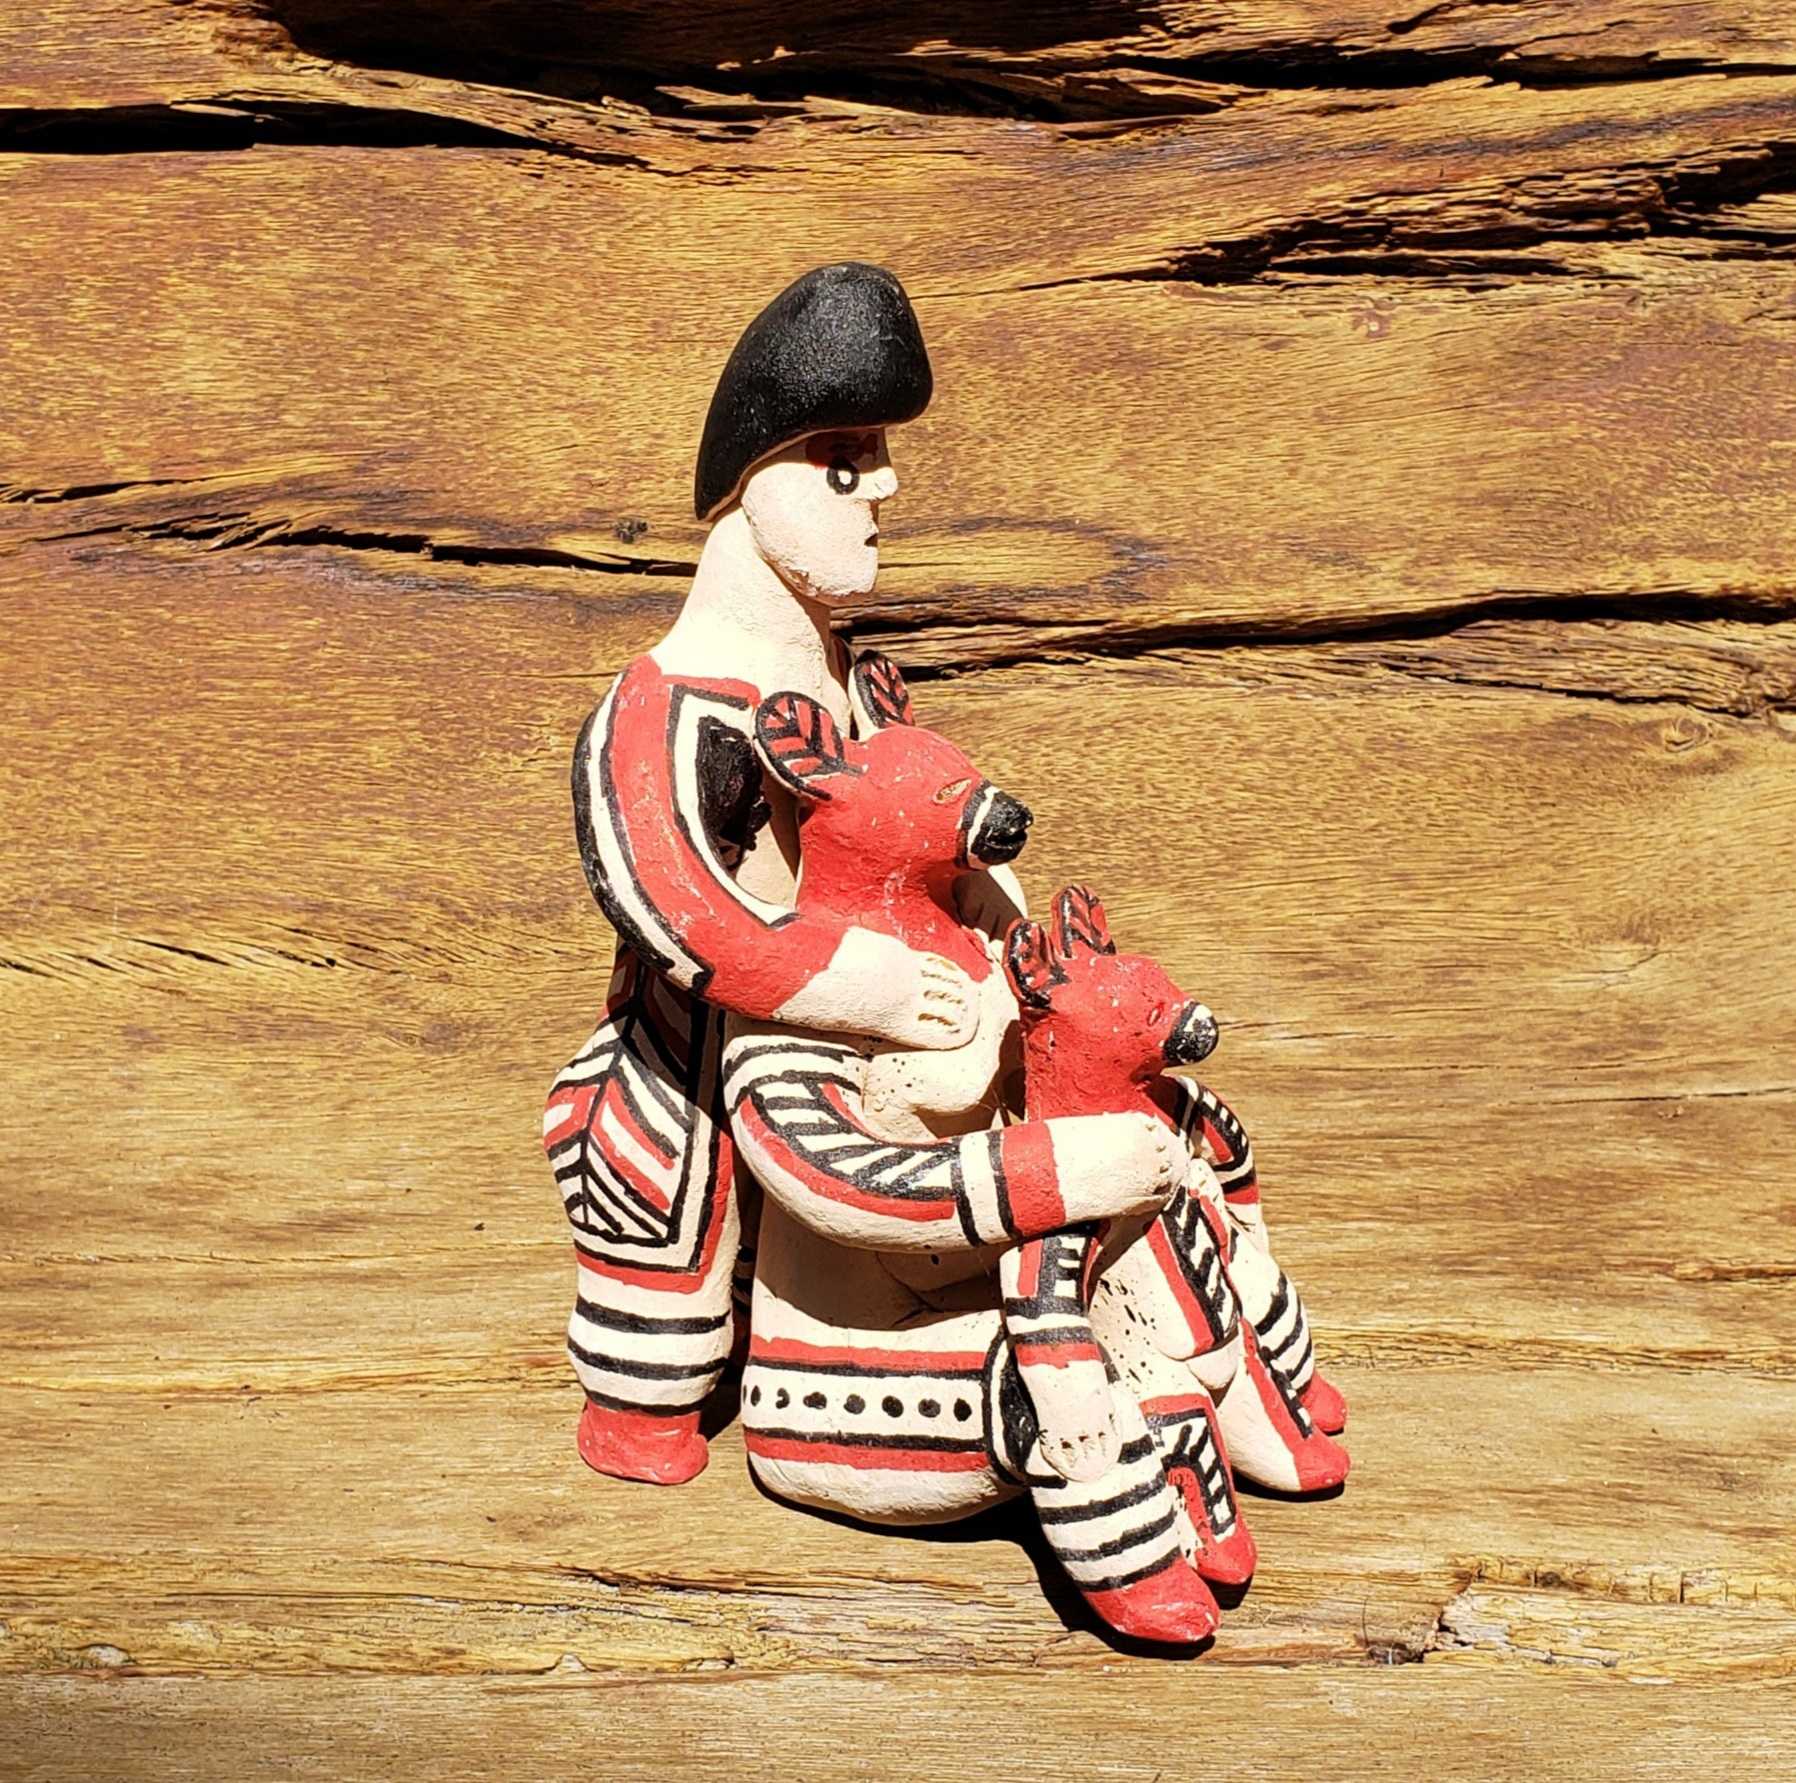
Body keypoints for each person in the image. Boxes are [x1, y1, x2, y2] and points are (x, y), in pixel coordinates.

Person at [544, 264, 1177, 1485]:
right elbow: (675, 902)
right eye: (843, 462)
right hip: (716, 1047)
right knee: (661, 1177)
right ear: (752, 486)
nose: (882, 487)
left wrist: (992, 938)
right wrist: (867, 989)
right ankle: (648, 1401)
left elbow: (918, 828)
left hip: (875, 1043)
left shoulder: (847, 679)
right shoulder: (667, 705)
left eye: (878, 456)